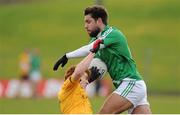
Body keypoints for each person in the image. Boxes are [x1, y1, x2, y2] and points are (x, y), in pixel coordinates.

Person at [53, 5, 151, 114]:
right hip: (131, 86)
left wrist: (67, 56)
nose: (85, 26)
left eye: (88, 22)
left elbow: (90, 49)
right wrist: (87, 79)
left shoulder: (113, 34)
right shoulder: (95, 42)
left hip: (131, 84)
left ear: (99, 21)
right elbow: (92, 63)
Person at [57, 45, 101, 114]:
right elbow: (78, 73)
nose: (87, 81)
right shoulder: (68, 87)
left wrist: (88, 79)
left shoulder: (79, 94)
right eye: (85, 78)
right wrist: (93, 52)